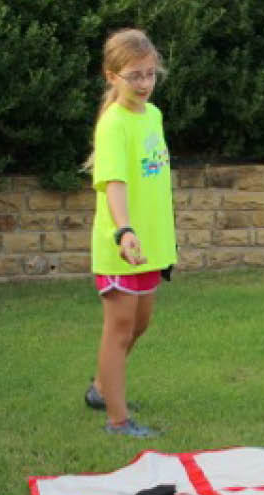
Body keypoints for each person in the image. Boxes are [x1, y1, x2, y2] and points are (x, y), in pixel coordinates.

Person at [82, 28, 177, 436]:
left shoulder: (152, 116)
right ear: (111, 76)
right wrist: (124, 232)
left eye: (149, 74)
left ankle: (102, 388)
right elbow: (114, 183)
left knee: (140, 324)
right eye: (134, 76)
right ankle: (117, 420)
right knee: (119, 329)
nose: (143, 84)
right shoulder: (112, 124)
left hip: (151, 244)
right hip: (122, 244)